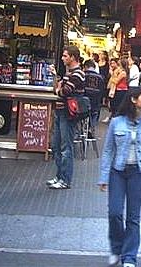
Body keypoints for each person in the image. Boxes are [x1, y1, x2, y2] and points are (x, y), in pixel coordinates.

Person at [99, 87, 141, 267]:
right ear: (133, 100)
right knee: (115, 212)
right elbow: (108, 150)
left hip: (138, 173)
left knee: (133, 217)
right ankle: (116, 248)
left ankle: (129, 257)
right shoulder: (116, 123)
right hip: (118, 171)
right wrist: (103, 177)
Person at [47, 45, 85, 190]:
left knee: (65, 147)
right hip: (61, 112)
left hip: (68, 114)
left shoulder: (77, 74)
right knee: (56, 145)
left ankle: (65, 179)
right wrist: (57, 81)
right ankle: (59, 176)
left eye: (65, 56)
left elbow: (64, 92)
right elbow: (60, 89)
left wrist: (59, 88)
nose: (63, 58)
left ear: (73, 57)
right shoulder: (70, 73)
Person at [83, 59, 105, 130]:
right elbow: (102, 91)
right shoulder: (100, 77)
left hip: (83, 103)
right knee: (94, 113)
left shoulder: (83, 75)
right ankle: (91, 129)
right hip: (95, 103)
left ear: (85, 66)